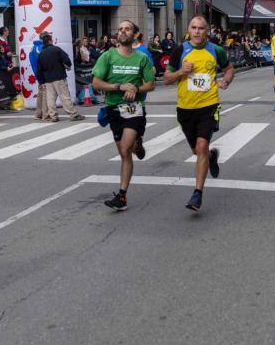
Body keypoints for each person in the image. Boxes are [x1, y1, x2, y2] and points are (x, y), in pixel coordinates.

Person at [164, 15, 235, 212]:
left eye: (201, 28)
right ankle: (211, 156)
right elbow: (166, 78)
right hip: (185, 108)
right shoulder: (180, 51)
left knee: (201, 145)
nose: (197, 31)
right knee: (197, 150)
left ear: (207, 31)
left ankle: (197, 193)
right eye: (193, 28)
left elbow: (229, 69)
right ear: (189, 30)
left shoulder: (216, 50)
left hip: (209, 105)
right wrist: (181, 72)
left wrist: (226, 81)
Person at [92, 20, 156, 211]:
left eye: (127, 29)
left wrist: (136, 88)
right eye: (120, 29)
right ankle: (138, 143)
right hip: (113, 109)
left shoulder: (142, 58)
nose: (122, 31)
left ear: (135, 34)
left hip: (134, 108)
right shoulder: (108, 56)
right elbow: (96, 82)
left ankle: (122, 195)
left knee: (125, 148)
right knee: (124, 152)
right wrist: (118, 87)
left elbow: (151, 84)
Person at [36, 32, 84, 122]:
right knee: (64, 96)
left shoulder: (41, 54)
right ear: (50, 41)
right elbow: (66, 59)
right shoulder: (56, 49)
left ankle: (53, 116)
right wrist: (68, 65)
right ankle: (73, 114)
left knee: (50, 98)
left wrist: (41, 81)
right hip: (59, 77)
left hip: (47, 79)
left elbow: (39, 70)